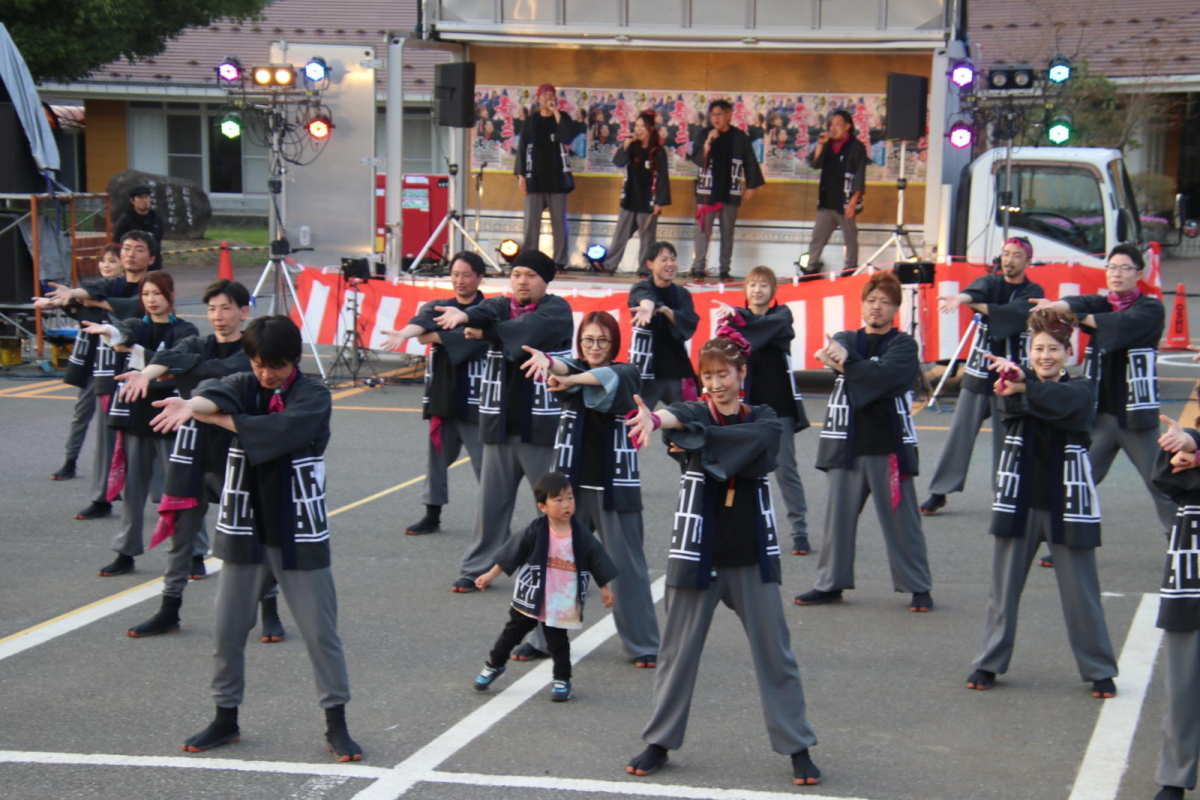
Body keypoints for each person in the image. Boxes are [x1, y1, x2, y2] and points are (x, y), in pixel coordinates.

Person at [149, 315, 361, 762]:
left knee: (321, 632)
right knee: (228, 630)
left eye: (277, 366)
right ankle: (225, 716)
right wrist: (194, 405)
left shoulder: (313, 394)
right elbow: (215, 393)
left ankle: (336, 723)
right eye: (260, 363)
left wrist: (222, 418)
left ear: (295, 359)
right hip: (244, 525)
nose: (267, 373)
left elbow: (282, 433)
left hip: (297, 528)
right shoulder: (243, 382)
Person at [622, 336, 821, 787]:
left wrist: (700, 442)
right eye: (707, 376)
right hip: (697, 550)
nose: (715, 384)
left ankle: (797, 746)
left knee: (776, 654)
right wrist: (655, 419)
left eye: (723, 374)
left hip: (752, 554)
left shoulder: (765, 418)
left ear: (741, 374)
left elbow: (759, 444)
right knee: (676, 653)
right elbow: (676, 415)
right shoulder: (694, 411)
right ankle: (660, 741)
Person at [119, 280, 284, 643]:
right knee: (182, 536)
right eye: (212, 309)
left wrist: (187, 370)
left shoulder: (254, 352)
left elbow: (225, 374)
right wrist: (147, 374)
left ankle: (269, 609)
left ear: (244, 312)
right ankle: (169, 609)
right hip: (194, 453)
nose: (218, 316)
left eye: (226, 308)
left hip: (238, 455)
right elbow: (170, 356)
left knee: (253, 535)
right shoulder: (198, 344)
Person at [965, 308, 1118, 699]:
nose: (1045, 356)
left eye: (1053, 348)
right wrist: (1019, 382)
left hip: (1069, 499)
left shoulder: (1081, 387)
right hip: (1020, 497)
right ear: (1028, 352)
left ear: (1069, 352)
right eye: (1038, 349)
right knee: (1003, 588)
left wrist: (1025, 388)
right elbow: (1016, 407)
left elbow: (1069, 406)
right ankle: (989, 661)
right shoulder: (1011, 383)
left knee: (1082, 591)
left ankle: (1099, 668)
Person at [430, 250, 574, 597]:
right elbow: (478, 312)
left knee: (557, 504)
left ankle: (566, 565)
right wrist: (463, 315)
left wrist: (482, 330)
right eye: (517, 274)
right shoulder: (499, 306)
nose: (522, 281)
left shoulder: (557, 310)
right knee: (490, 503)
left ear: (545, 280)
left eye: (531, 275)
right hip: (498, 422)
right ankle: (476, 567)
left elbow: (526, 332)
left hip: (539, 426)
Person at [521, 310, 660, 667]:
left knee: (626, 565)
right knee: (556, 561)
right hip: (570, 481)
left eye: (603, 340)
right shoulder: (569, 370)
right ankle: (541, 639)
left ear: (614, 343)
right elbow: (563, 372)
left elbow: (603, 380)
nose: (595, 346)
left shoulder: (626, 372)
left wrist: (568, 377)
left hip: (614, 483)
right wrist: (554, 364)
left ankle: (643, 644)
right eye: (588, 340)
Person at [795, 270, 933, 611]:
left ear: (895, 309)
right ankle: (830, 584)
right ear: (862, 305)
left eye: (885, 302)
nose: (877, 308)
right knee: (837, 521)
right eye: (872, 301)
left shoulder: (904, 344)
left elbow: (890, 377)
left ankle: (918, 585)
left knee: (903, 522)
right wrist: (848, 360)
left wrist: (847, 367)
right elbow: (842, 353)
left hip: (889, 445)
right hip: (846, 442)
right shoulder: (846, 337)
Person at [1031, 243, 1174, 567]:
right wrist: (1056, 306)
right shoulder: (1099, 303)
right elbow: (1078, 303)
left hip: (1135, 417)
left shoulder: (1150, 309)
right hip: (1099, 416)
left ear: (1140, 274)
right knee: (1078, 477)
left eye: (1125, 268)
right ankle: (1062, 541)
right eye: (1112, 268)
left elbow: (1120, 327)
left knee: (1160, 482)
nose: (1118, 274)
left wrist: (1074, 314)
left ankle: (1182, 541)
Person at [81, 271, 199, 577]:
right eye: (146, 294)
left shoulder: (185, 330)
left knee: (182, 487)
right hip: (136, 417)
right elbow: (121, 332)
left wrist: (136, 353)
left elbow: (178, 359)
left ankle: (195, 551)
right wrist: (108, 331)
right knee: (133, 492)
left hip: (170, 416)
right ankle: (126, 551)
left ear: (171, 296)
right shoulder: (136, 325)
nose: (151, 300)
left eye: (157, 294)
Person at [36, 231, 159, 520]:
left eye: (138, 250)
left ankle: (163, 496)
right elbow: (86, 298)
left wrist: (101, 304)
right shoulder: (111, 283)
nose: (130, 254)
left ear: (151, 258)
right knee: (106, 439)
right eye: (126, 248)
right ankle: (102, 497)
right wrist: (71, 295)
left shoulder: (154, 285)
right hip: (106, 371)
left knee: (149, 438)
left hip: (142, 371)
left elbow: (137, 308)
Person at [920, 237, 1044, 515]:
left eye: (1016, 255)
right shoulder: (991, 282)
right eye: (1005, 254)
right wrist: (962, 298)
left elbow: (1015, 314)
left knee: (1007, 441)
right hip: (978, 371)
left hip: (1011, 377)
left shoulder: (1033, 290)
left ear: (1028, 261)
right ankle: (939, 491)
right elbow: (976, 290)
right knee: (959, 434)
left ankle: (1005, 494)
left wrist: (977, 306)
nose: (1009, 260)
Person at [473, 472, 618, 702]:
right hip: (532, 594)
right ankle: (494, 665)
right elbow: (513, 553)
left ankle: (562, 680)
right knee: (511, 635)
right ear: (543, 506)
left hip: (562, 597)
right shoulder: (535, 530)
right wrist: (490, 575)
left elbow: (597, 559)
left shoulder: (580, 534)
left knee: (558, 642)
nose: (566, 504)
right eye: (558, 500)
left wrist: (605, 587)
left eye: (569, 498)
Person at [380, 252, 488, 535]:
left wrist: (433, 335)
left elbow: (473, 339)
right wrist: (404, 334)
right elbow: (422, 326)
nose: (459, 280)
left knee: (485, 465)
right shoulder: (439, 305)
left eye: (466, 275)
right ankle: (432, 514)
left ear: (479, 277)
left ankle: (492, 520)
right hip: (443, 394)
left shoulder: (488, 309)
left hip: (477, 399)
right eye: (455, 274)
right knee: (437, 458)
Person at [713, 266, 812, 555]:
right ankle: (737, 528)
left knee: (785, 470)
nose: (757, 290)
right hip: (745, 405)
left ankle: (800, 531)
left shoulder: (782, 317)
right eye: (753, 285)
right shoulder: (735, 323)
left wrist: (736, 316)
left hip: (778, 405)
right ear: (746, 290)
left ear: (773, 291)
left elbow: (762, 328)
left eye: (764, 285)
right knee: (740, 469)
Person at [1151, 413, 1200, 800]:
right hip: (1192, 570)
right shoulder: (1189, 437)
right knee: (1183, 682)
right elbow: (1165, 480)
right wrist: (1187, 448)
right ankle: (1175, 776)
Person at [53, 243, 124, 481]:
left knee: (115, 421)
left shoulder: (125, 293)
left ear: (123, 264)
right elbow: (75, 308)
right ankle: (70, 460)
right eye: (103, 260)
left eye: (112, 261)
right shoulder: (91, 291)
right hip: (93, 366)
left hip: (119, 368)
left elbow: (110, 313)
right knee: (81, 414)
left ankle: (117, 469)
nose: (106, 265)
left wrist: (87, 305)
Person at [689, 99, 765, 281]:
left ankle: (724, 270)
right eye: (713, 114)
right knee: (702, 231)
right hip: (707, 191)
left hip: (730, 191)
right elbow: (697, 159)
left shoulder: (739, 136)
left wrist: (752, 185)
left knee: (727, 232)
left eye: (720, 114)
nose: (716, 118)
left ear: (729, 115)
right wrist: (708, 143)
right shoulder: (704, 134)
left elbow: (749, 160)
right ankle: (699, 268)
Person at [628, 242, 698, 410]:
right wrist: (647, 307)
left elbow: (689, 321)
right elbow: (645, 297)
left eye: (673, 259)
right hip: (646, 370)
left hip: (676, 368)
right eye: (664, 259)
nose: (670, 264)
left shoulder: (682, 294)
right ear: (650, 264)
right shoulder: (641, 287)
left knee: (684, 421)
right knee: (637, 421)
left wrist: (667, 312)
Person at [514, 83, 575, 270]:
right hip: (535, 178)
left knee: (559, 224)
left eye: (552, 94)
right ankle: (529, 259)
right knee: (531, 223)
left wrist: (556, 113)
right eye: (545, 94)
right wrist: (520, 174)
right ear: (538, 98)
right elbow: (522, 148)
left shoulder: (562, 118)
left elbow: (567, 137)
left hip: (557, 178)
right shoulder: (531, 121)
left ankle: (560, 261)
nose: (549, 97)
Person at [800, 110, 868, 275]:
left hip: (846, 200)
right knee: (818, 236)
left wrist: (853, 201)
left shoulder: (856, 147)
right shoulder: (828, 145)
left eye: (838, 124)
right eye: (831, 124)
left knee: (850, 237)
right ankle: (811, 267)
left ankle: (850, 268)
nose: (834, 127)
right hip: (827, 199)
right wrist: (821, 144)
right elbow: (815, 163)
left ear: (847, 126)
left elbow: (859, 175)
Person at [603, 110, 671, 275]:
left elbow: (663, 178)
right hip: (630, 198)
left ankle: (645, 269)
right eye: (637, 125)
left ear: (650, 129)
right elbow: (618, 162)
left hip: (648, 201)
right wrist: (625, 144)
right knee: (620, 235)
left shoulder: (658, 151)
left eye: (643, 126)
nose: (638, 129)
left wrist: (659, 202)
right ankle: (609, 265)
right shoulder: (631, 146)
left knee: (647, 239)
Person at [112, 185, 164, 252]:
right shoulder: (125, 219)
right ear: (132, 200)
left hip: (153, 259)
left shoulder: (156, 219)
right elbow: (117, 243)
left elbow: (158, 241)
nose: (144, 200)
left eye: (147, 197)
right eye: (140, 197)